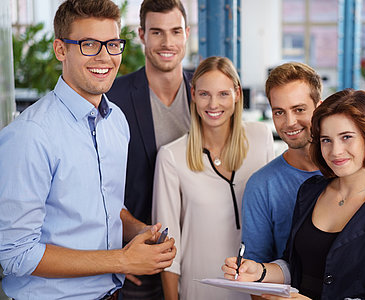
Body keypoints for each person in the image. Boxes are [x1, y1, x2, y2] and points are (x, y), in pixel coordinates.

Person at [0, 1, 176, 299]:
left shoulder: (116, 122)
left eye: (112, 44)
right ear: (61, 50)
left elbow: (106, 206)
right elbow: (16, 254)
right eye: (89, 44)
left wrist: (138, 232)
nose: (105, 57)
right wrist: (123, 260)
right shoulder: (30, 135)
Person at [223, 89, 365, 300]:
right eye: (326, 140)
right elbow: (295, 265)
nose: (335, 151)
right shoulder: (311, 190)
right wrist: (260, 271)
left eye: (346, 137)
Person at [152, 56, 274, 300]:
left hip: (256, 288)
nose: (213, 104)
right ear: (193, 94)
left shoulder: (261, 137)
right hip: (199, 288)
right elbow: (167, 244)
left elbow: (273, 216)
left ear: (237, 94)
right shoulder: (171, 156)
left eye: (223, 94)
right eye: (205, 94)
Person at [105, 1, 191, 295]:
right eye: (157, 32)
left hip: (197, 258)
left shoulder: (207, 95)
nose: (167, 43)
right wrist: (114, 258)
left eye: (175, 31)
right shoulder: (113, 97)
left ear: (187, 34)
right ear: (141, 35)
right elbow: (92, 188)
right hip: (138, 262)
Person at [242, 62, 322, 268]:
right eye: (279, 112)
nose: (290, 122)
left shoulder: (345, 173)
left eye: (299, 109)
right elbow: (254, 273)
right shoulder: (261, 186)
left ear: (319, 108)